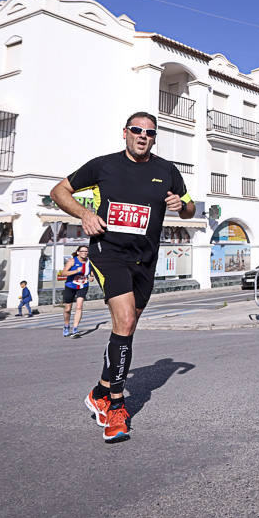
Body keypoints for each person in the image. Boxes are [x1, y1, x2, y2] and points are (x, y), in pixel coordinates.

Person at [50, 111, 195, 443]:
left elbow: (190, 208)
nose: (143, 135)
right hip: (109, 252)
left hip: (146, 259)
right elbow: (59, 191)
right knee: (126, 321)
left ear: (154, 138)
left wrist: (180, 205)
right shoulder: (103, 165)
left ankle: (101, 390)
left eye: (150, 132)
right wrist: (85, 214)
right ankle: (115, 407)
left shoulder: (166, 170)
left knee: (126, 328)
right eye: (137, 130)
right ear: (125, 133)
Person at [61, 246, 91, 336]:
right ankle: (66, 325)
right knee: (67, 309)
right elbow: (63, 273)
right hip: (70, 285)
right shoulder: (72, 261)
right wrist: (76, 271)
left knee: (79, 306)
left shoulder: (89, 261)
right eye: (82, 251)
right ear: (78, 252)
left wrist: (92, 276)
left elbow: (92, 270)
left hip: (83, 285)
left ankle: (75, 328)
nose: (84, 253)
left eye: (86, 251)